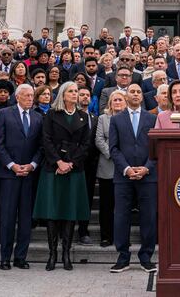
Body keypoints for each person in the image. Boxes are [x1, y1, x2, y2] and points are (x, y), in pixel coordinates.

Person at [33, 81, 91, 271]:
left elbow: (85, 144)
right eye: (71, 91)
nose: (75, 94)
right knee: (53, 211)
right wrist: (58, 162)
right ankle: (53, 254)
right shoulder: (51, 114)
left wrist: (70, 163)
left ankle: (66, 254)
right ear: (63, 94)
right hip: (53, 168)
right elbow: (46, 139)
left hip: (74, 169)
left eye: (77, 91)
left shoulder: (83, 116)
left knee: (69, 212)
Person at [108, 84, 158, 273]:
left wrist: (146, 168)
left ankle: (146, 257)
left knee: (149, 217)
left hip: (148, 176)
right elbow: (113, 148)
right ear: (126, 95)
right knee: (121, 217)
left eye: (138, 92)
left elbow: (157, 148)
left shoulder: (152, 119)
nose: (136, 94)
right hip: (123, 177)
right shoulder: (116, 120)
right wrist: (127, 169)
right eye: (132, 92)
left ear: (142, 96)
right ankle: (123, 257)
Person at [0, 83, 43, 270]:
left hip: (29, 174)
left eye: (32, 96)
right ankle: (5, 258)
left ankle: (20, 257)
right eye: (27, 95)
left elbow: (40, 146)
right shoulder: (5, 114)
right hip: (9, 174)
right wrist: (12, 165)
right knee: (7, 217)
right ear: (17, 96)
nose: (31, 98)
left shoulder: (38, 118)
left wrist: (31, 165)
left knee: (25, 218)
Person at [95, 90, 127, 247]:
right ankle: (106, 236)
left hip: (125, 167)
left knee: (122, 205)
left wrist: (122, 158)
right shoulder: (103, 118)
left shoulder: (128, 118)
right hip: (107, 165)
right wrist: (113, 154)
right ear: (110, 103)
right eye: (115, 100)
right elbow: (99, 139)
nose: (117, 102)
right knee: (106, 205)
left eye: (120, 100)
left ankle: (121, 237)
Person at [77, 86, 100, 245]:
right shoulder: (71, 116)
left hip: (91, 165)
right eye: (82, 95)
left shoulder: (94, 117)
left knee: (87, 198)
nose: (85, 97)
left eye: (87, 95)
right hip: (74, 163)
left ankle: (83, 230)